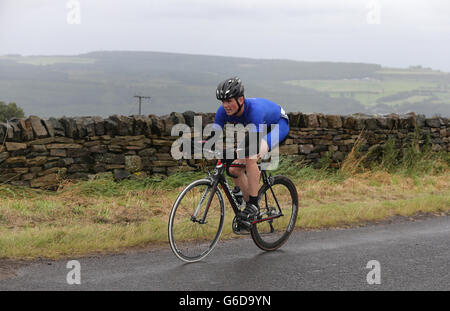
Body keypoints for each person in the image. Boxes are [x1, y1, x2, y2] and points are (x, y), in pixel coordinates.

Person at [211, 77, 290, 221]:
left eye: (229, 101)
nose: (225, 105)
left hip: (278, 125)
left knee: (250, 156)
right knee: (234, 169)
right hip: (258, 128)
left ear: (240, 100)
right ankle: (249, 209)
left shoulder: (255, 111)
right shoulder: (222, 112)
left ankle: (253, 205)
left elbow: (252, 146)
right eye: (223, 101)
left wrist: (230, 153)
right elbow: (212, 137)